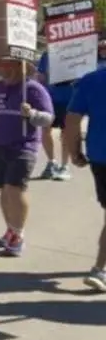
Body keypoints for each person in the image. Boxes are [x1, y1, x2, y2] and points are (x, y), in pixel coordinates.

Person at [0, 54, 54, 257]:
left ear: (22, 67)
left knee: (15, 188)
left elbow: (48, 118)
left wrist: (33, 115)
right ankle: (10, 229)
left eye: (11, 64)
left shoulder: (33, 90)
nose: (6, 68)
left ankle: (18, 236)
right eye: (3, 64)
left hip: (23, 146)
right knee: (3, 190)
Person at [63, 65, 106, 291]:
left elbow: (71, 119)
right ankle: (99, 268)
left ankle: (100, 268)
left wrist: (74, 151)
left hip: (100, 156)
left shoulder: (90, 80)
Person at [35, 49, 74, 181]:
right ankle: (52, 162)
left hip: (70, 98)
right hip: (49, 98)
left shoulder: (78, 51)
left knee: (67, 132)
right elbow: (40, 77)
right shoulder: (47, 55)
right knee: (45, 129)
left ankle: (64, 166)